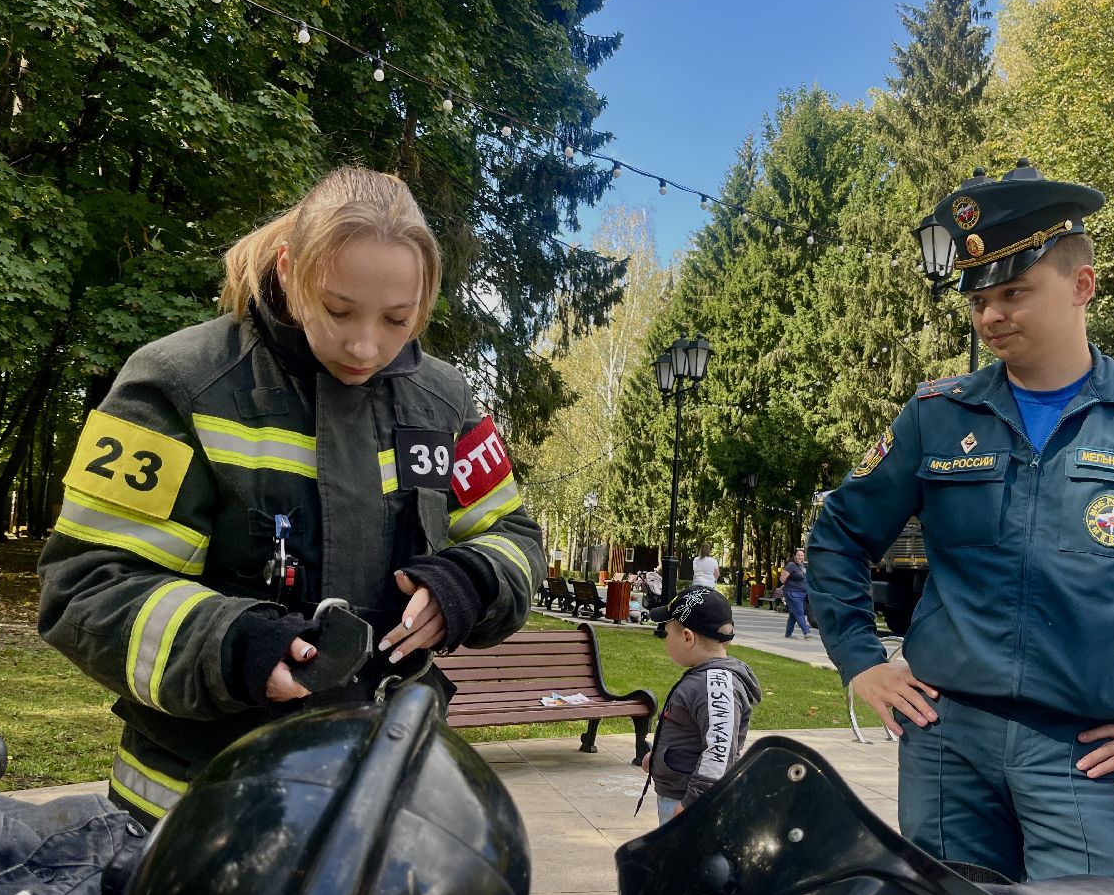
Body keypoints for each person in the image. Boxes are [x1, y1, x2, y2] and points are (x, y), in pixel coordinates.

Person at [807, 159, 1114, 890]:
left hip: (1085, 754)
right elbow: (838, 537)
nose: (991, 316)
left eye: (1014, 292)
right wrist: (861, 662)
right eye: (979, 298)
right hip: (947, 743)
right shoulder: (936, 416)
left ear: (1082, 286)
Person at [37, 167, 545, 828]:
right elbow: (87, 586)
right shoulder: (177, 384)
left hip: (384, 809)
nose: (366, 345)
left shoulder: (443, 401)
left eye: (398, 319)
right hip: (196, 818)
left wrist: (467, 583)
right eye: (337, 310)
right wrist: (231, 646)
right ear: (288, 267)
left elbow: (514, 535)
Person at [636, 587, 762, 825]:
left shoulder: (715, 685)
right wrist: (659, 758)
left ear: (687, 637)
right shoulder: (704, 678)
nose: (665, 641)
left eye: (667, 633)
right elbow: (692, 733)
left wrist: (692, 806)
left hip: (692, 804)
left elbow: (719, 753)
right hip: (679, 795)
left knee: (686, 862)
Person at [780, 547, 812, 639]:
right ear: (794, 556)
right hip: (792, 593)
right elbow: (782, 580)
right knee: (799, 613)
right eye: (798, 555)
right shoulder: (790, 565)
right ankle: (806, 632)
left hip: (802, 593)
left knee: (794, 614)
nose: (800, 557)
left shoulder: (802, 566)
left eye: (802, 555)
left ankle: (788, 633)